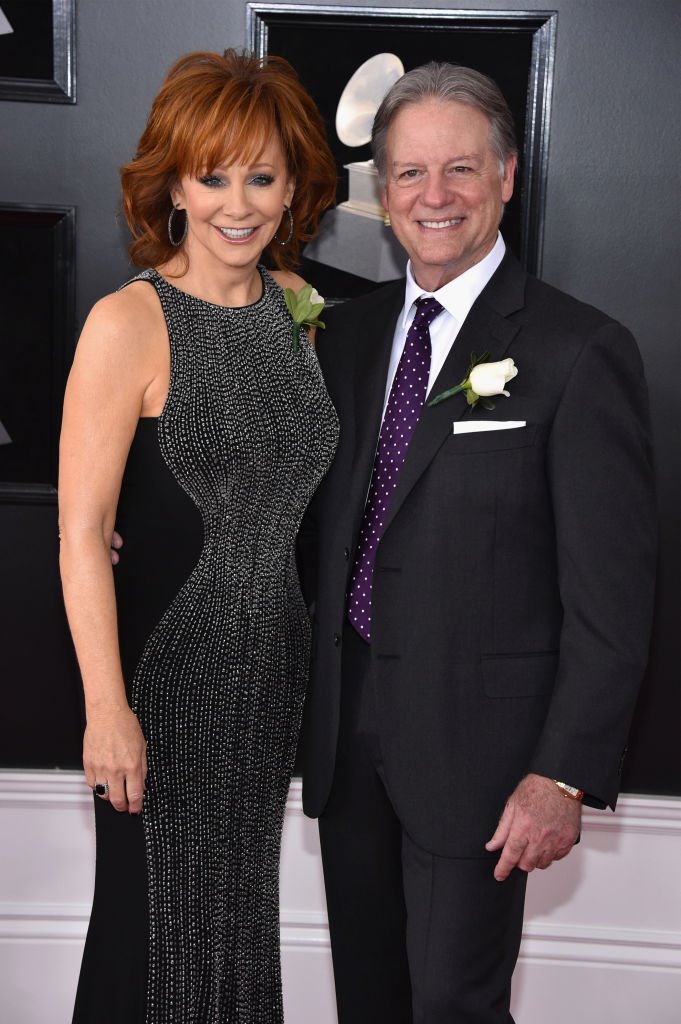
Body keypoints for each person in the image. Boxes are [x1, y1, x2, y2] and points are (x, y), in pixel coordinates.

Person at [297, 62, 656, 1023]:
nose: (434, 195)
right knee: (368, 998)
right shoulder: (348, 335)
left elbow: (612, 600)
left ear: (505, 177)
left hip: (485, 757)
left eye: (460, 169)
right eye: (408, 174)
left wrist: (563, 772)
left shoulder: (578, 352)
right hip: (347, 733)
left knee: (454, 1003)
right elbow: (305, 513)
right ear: (382, 193)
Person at [58, 49, 338, 1023]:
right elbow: (84, 533)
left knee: (239, 927)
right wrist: (106, 709)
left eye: (262, 175)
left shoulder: (301, 311)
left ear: (294, 185)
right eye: (213, 173)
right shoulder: (126, 323)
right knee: (149, 932)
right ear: (173, 181)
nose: (238, 201)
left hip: (272, 682)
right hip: (161, 684)